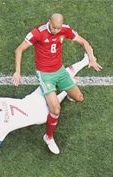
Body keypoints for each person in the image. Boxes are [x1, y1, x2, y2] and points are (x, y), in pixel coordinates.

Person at [0, 55, 90, 154]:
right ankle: (85, 61)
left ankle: (67, 91)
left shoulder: (2, 128)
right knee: (60, 76)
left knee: (55, 105)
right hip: (35, 98)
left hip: (41, 115)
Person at [13, 13, 102, 154]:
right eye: (54, 28)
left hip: (60, 71)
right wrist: (18, 72)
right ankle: (48, 137)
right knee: (55, 110)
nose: (56, 31)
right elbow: (19, 50)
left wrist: (91, 58)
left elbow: (84, 42)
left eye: (58, 28)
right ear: (49, 22)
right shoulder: (38, 33)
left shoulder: (65, 30)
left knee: (79, 98)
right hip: (45, 75)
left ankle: (67, 90)